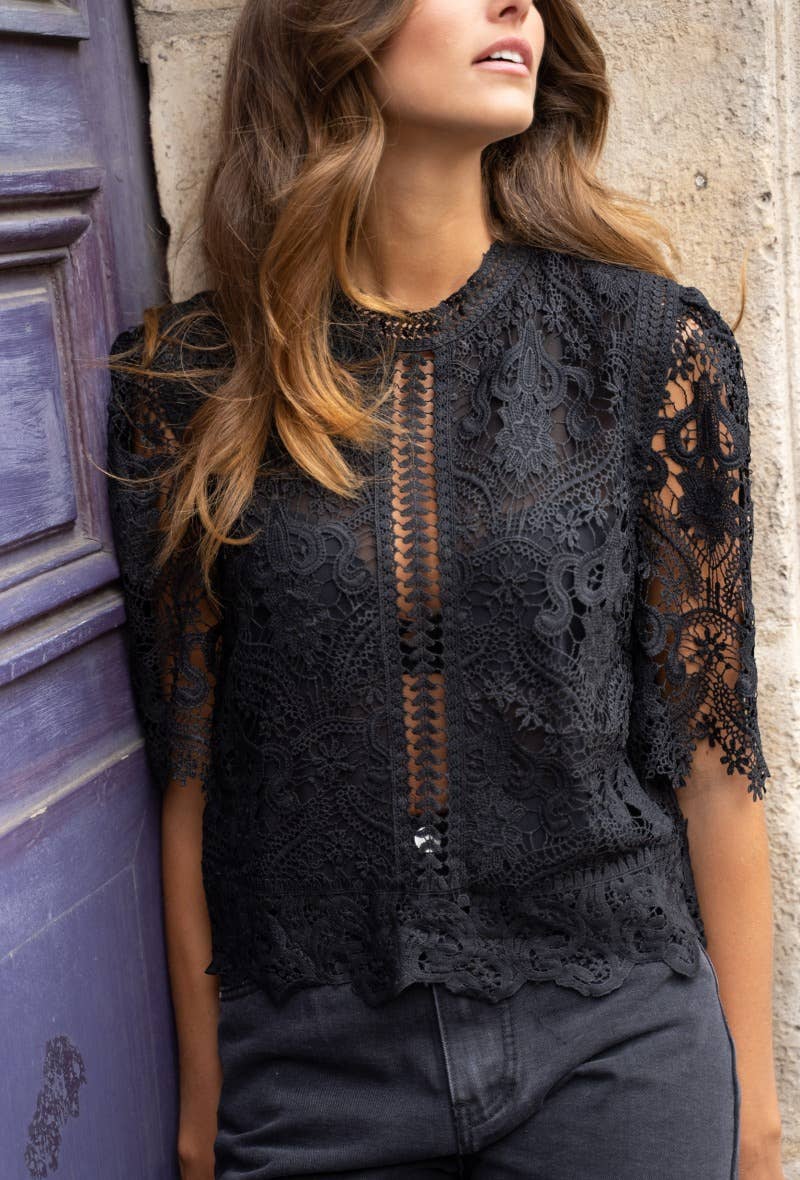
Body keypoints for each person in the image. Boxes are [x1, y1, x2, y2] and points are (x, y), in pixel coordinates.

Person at [103, 0, 785, 1177]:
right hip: (313, 1072)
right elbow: (190, 774)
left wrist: (757, 1122)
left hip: (616, 1050)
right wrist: (205, 1102)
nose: (513, 4)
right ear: (334, 25)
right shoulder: (192, 383)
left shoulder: (641, 348)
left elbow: (714, 765)